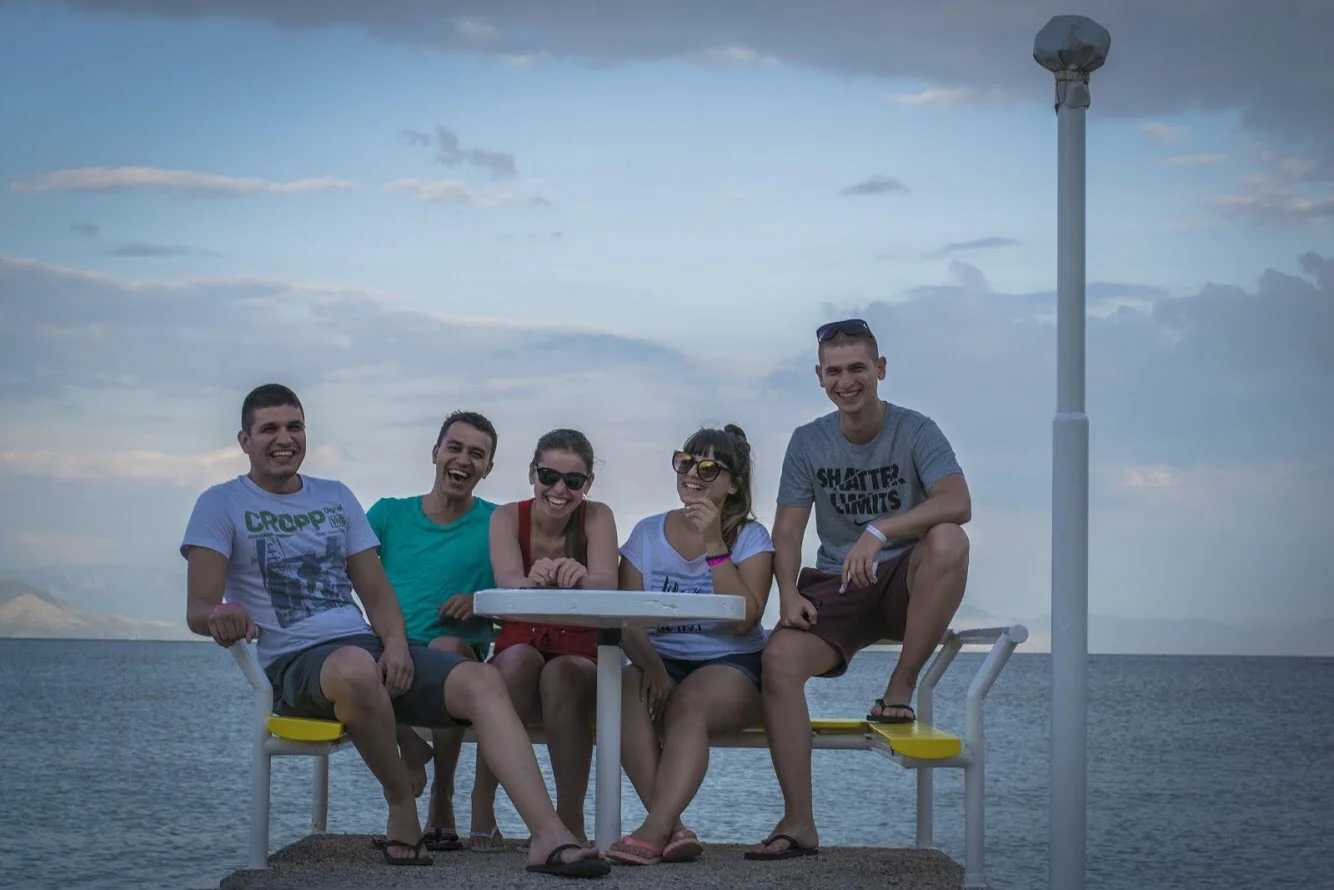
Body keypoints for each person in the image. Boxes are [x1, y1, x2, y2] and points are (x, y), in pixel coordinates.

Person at [181, 384, 608, 877]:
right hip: (295, 662)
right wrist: (220, 614)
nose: (284, 438)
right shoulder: (221, 504)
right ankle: (403, 805)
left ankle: (549, 835)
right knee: (355, 667)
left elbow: (377, 594)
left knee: (482, 680)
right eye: (269, 429)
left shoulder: (335, 497)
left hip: (363, 646)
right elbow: (199, 606)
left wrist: (398, 645)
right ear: (244, 440)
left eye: (294, 426)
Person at [748, 319, 972, 861]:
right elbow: (788, 530)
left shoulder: (916, 431)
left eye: (857, 368)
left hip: (906, 580)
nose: (846, 381)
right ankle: (799, 822)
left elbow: (957, 501)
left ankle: (899, 686)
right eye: (834, 371)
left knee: (949, 540)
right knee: (778, 660)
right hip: (836, 583)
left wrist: (879, 531)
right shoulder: (808, 441)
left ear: (880, 369)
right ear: (819, 376)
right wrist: (787, 595)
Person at [605, 424, 774, 867]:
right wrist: (654, 670)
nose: (693, 474)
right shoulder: (646, 533)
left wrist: (714, 543)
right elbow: (627, 619)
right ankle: (673, 827)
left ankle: (653, 829)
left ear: (733, 483)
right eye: (686, 462)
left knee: (688, 704)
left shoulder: (752, 538)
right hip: (659, 660)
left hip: (732, 664)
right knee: (619, 692)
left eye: (709, 467)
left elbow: (744, 620)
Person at [467, 428, 618, 850]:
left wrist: (581, 576)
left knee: (561, 675)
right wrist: (532, 581)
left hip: (579, 653)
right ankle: (482, 805)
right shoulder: (506, 518)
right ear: (533, 474)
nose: (559, 490)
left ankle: (570, 819)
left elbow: (607, 581)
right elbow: (508, 581)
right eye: (549, 476)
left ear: (588, 483)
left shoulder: (597, 516)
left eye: (574, 480)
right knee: (517, 662)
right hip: (521, 645)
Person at [363, 410, 501, 852]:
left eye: (476, 454)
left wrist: (479, 602)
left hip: (455, 653)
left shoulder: (499, 523)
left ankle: (442, 796)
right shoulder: (387, 514)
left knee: (444, 649)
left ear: (488, 468)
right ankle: (408, 747)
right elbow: (340, 572)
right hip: (388, 648)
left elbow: (522, 592)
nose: (463, 460)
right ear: (436, 452)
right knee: (349, 662)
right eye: (454, 448)